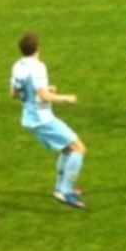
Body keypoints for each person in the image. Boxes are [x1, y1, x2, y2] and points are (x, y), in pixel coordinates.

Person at [10, 32, 86, 209]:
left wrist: (45, 89)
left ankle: (61, 188)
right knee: (78, 148)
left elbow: (14, 94)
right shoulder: (38, 67)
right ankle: (65, 192)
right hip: (42, 118)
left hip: (30, 117)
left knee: (67, 149)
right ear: (38, 48)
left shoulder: (17, 66)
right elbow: (43, 96)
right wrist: (65, 98)